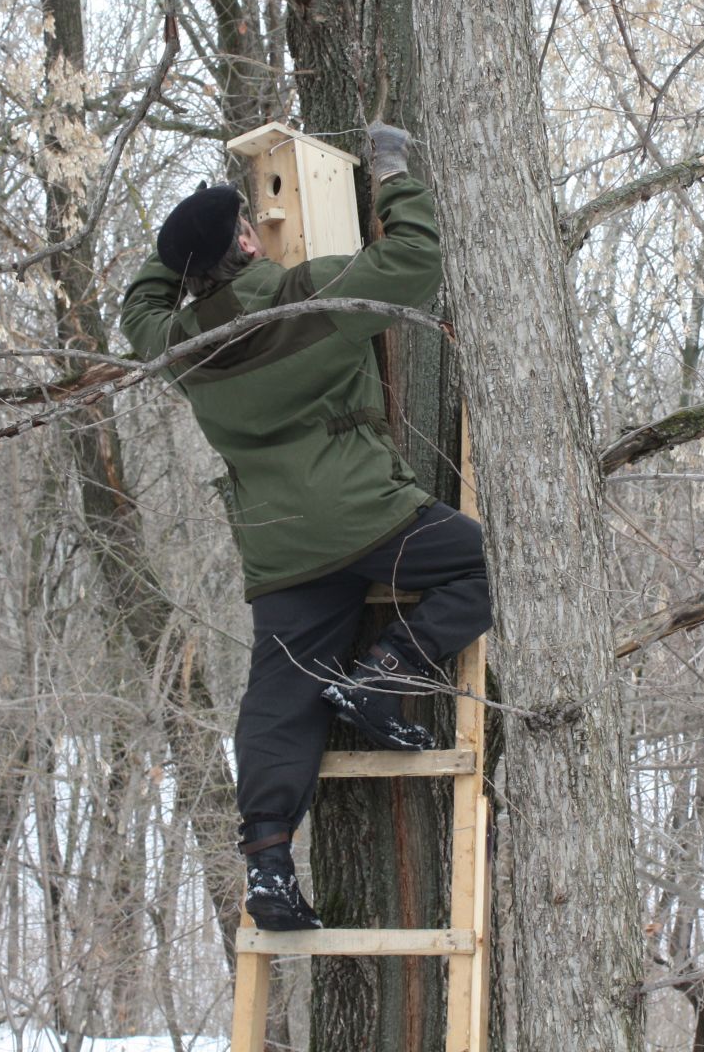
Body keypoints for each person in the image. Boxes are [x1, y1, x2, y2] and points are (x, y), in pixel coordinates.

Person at [119, 122, 492, 931]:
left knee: (281, 698)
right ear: (249, 242)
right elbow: (414, 265)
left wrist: (181, 255)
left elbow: (139, 308)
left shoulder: (181, 344)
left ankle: (270, 869)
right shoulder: (308, 297)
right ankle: (384, 673)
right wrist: (393, 173)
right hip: (368, 518)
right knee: (492, 565)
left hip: (281, 547)